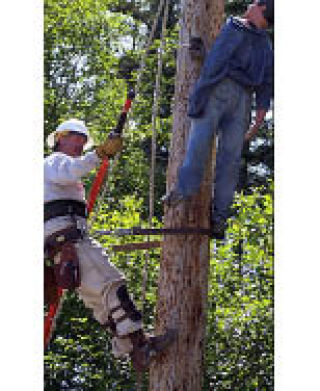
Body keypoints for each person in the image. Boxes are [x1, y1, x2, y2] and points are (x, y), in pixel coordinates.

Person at [44, 118, 175, 372]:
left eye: (84, 141)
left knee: (101, 303)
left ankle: (130, 348)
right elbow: (74, 169)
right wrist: (100, 153)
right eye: (76, 138)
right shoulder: (54, 162)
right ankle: (141, 343)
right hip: (70, 243)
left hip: (63, 248)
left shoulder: (55, 174)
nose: (80, 144)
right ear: (60, 138)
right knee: (112, 285)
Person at [163, 0, 274, 239]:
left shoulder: (234, 27)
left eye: (254, 3)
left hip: (218, 91)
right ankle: (220, 216)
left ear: (262, 8)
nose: (250, 5)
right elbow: (266, 85)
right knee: (230, 160)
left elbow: (216, 64)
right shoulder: (266, 45)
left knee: (199, 141)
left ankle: (183, 190)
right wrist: (257, 120)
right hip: (244, 100)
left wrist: (198, 96)